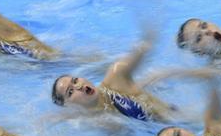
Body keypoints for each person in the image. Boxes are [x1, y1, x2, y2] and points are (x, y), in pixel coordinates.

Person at [51, 28, 181, 122]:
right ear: (69, 105)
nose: (78, 86)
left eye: (75, 81)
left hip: (181, 119)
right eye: (70, 92)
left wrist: (148, 38)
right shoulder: (93, 120)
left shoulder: (115, 77)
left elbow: (144, 48)